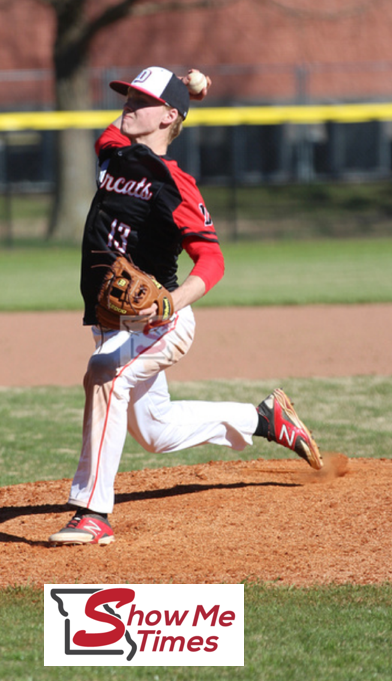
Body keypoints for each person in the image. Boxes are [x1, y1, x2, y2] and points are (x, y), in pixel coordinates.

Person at [49, 66, 322, 546]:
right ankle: (263, 419)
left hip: (160, 322)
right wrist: (180, 82)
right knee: (156, 432)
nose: (128, 106)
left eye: (141, 101)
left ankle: (93, 513)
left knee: (104, 378)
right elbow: (116, 130)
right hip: (114, 321)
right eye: (128, 97)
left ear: (168, 116)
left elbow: (212, 260)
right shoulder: (112, 153)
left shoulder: (175, 184)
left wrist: (169, 304)